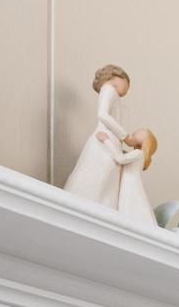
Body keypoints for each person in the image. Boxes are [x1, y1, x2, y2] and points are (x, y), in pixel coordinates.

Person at [63, 64, 158, 228]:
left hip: (108, 143)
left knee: (103, 182)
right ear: (116, 77)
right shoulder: (109, 90)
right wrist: (125, 137)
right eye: (126, 85)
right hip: (104, 142)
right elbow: (102, 114)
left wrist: (122, 140)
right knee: (97, 178)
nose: (126, 91)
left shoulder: (112, 93)